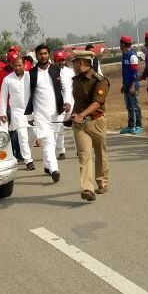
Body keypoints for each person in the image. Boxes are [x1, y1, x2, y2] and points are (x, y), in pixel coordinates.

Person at [25, 44, 71, 182]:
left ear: (49, 55)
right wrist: (29, 115)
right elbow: (26, 96)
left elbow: (65, 87)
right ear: (36, 56)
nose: (43, 56)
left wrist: (67, 101)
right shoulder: (31, 74)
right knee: (48, 141)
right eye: (40, 54)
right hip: (40, 113)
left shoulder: (57, 70)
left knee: (53, 139)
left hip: (57, 111)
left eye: (45, 53)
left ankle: (47, 165)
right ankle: (54, 169)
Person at [70, 51, 110, 201]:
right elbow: (78, 101)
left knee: (100, 153)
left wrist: (82, 115)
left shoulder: (100, 81)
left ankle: (102, 181)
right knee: (84, 155)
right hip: (80, 125)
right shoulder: (76, 80)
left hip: (96, 122)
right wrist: (74, 114)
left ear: (81, 63)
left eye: (74, 62)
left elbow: (97, 102)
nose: (72, 65)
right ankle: (87, 188)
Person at [0, 57, 34, 170]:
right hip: (17, 111)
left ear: (24, 65)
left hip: (31, 110)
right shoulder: (7, 79)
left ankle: (26, 153)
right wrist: (3, 112)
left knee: (34, 134)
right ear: (12, 66)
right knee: (22, 136)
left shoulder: (30, 76)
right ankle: (29, 161)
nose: (17, 68)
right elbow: (3, 96)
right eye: (15, 66)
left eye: (20, 65)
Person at [118, 36, 143, 134]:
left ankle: (139, 125)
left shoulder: (132, 56)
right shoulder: (124, 55)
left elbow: (135, 72)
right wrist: (124, 85)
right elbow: (125, 72)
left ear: (123, 44)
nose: (119, 45)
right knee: (129, 107)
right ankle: (131, 125)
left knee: (136, 106)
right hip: (126, 85)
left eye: (120, 43)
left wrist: (132, 85)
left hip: (133, 85)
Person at [52, 50, 74, 160]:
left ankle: (80, 149)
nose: (61, 62)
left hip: (71, 102)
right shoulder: (51, 71)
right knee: (59, 127)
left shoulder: (70, 72)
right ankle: (61, 151)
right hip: (58, 103)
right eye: (59, 60)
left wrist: (69, 102)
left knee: (76, 125)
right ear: (54, 61)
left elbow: (71, 87)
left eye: (62, 60)